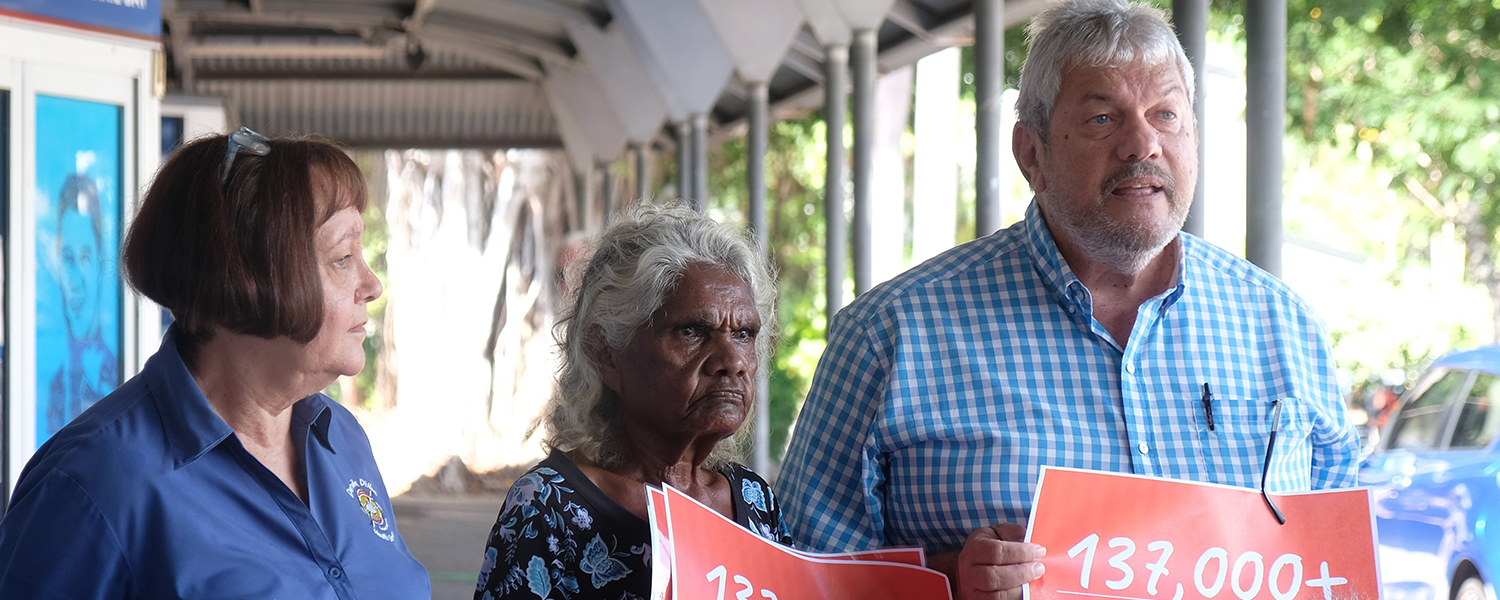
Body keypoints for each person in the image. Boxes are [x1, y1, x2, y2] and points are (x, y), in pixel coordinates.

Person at [776, 1, 1362, 599]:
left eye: (1166, 115)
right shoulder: (889, 335)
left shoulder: (1286, 327)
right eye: (1103, 119)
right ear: (1032, 154)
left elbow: (1337, 569)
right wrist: (947, 578)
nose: (1143, 144)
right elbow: (798, 578)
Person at [0, 127, 431, 598]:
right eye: (343, 257)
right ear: (243, 280)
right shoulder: (93, 484)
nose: (372, 285)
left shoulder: (340, 437)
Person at [475, 203, 788, 600]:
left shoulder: (753, 501)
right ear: (606, 352)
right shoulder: (549, 509)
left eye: (744, 333)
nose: (732, 362)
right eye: (691, 331)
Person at [43, 173, 119, 437]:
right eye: (68, 258)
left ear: (101, 263)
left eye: (85, 258)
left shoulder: (115, 384)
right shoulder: (55, 385)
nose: (75, 280)